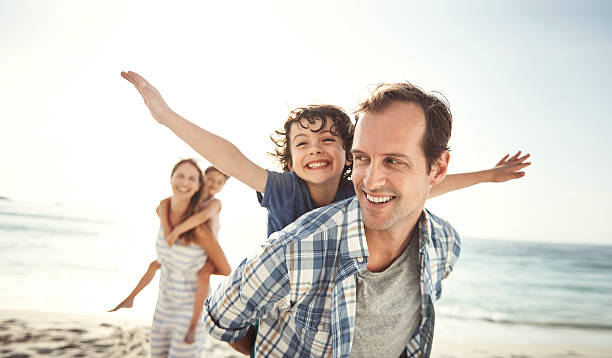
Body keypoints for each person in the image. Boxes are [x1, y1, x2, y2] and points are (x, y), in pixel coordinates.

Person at [120, 71, 530, 355]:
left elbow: (426, 187)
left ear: (347, 156)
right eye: (302, 143)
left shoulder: (364, 193)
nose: (315, 148)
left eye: (327, 139)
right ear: (290, 158)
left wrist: (488, 176)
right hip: (279, 301)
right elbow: (229, 157)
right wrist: (167, 117)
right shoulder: (282, 189)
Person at [202, 82, 489, 357]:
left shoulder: (444, 242)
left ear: (437, 168)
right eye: (364, 157)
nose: (371, 181)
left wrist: (489, 175)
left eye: (394, 160)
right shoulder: (293, 245)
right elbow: (220, 319)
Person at [110, 160, 231, 357]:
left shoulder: (209, 211)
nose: (213, 185)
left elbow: (200, 221)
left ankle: (193, 325)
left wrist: (176, 234)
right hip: (165, 304)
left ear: (197, 185)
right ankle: (130, 298)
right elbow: (164, 211)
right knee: (155, 264)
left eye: (192, 178)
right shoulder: (166, 206)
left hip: (199, 273)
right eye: (210, 180)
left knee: (203, 275)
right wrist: (170, 233)